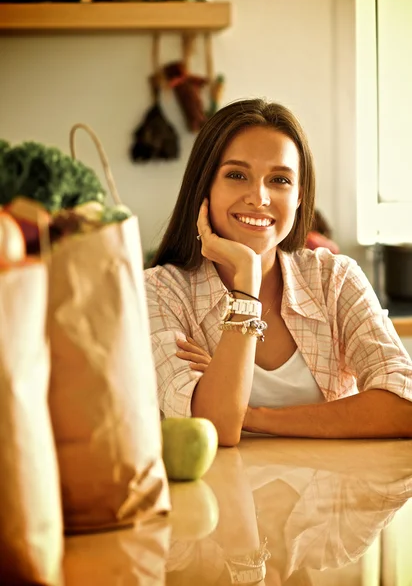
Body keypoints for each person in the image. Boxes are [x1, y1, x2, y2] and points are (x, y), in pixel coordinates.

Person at [145, 98, 412, 446]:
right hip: (222, 498)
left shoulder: (334, 279)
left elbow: (403, 406)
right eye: (237, 175)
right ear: (204, 185)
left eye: (279, 180)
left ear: (299, 197)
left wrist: (254, 416)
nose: (259, 197)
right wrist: (246, 282)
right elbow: (216, 428)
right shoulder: (160, 292)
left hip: (334, 496)